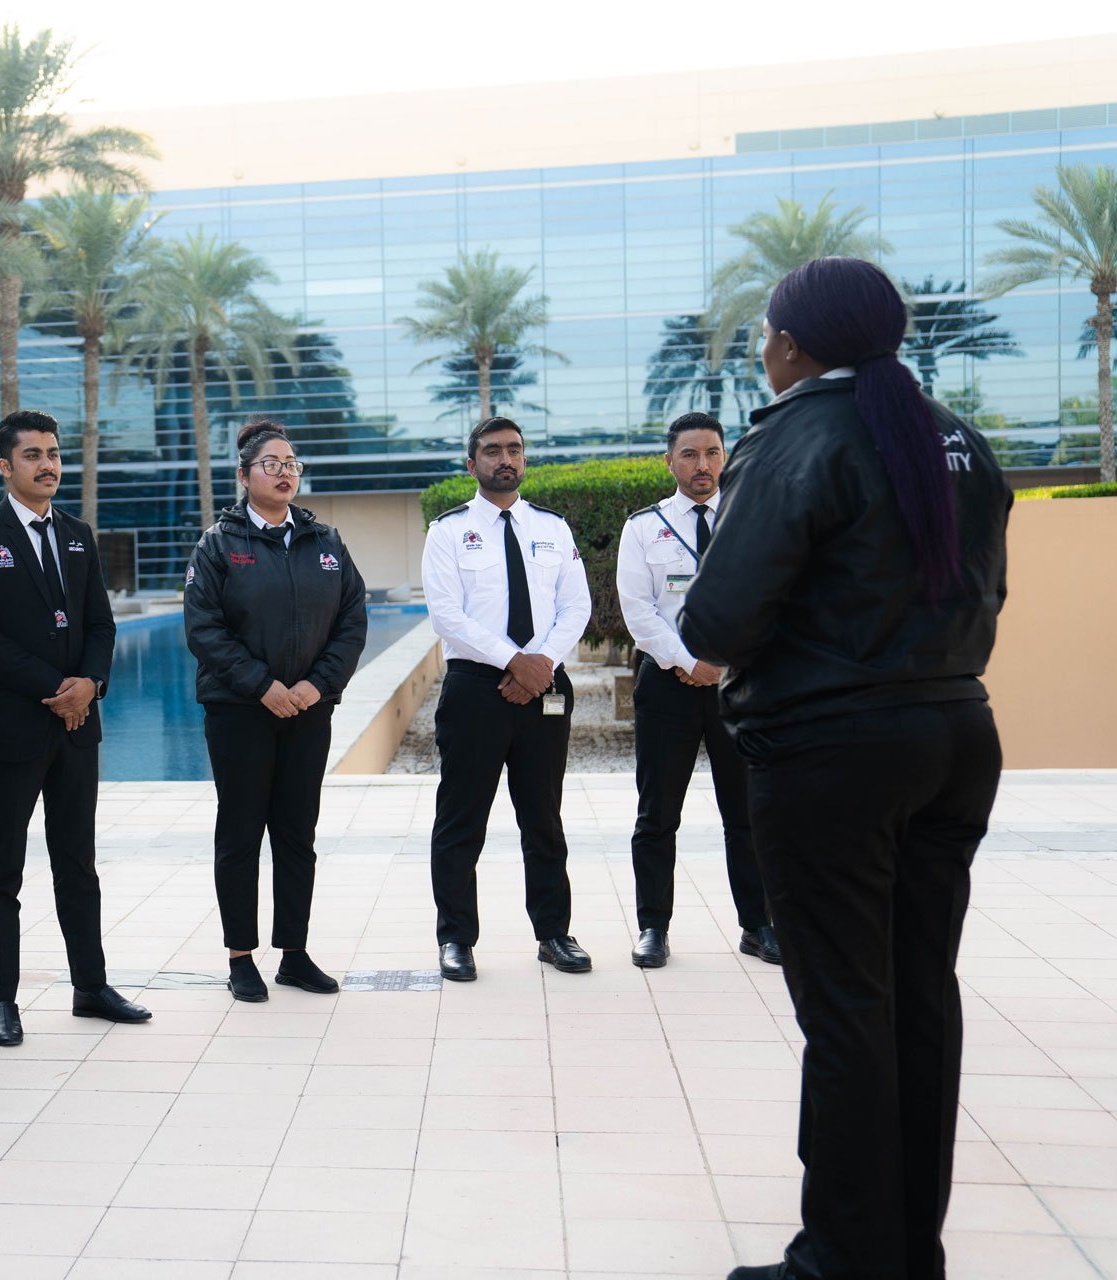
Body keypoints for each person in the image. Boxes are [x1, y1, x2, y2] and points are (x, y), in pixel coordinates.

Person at [682, 257, 1011, 1280]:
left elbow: (719, 620)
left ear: (791, 342)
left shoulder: (797, 436)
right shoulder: (955, 436)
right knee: (919, 1000)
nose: (765, 352)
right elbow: (984, 593)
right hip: (954, 734)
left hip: (835, 754)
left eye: (768, 337)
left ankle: (842, 1257)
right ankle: (907, 1248)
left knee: (848, 1012)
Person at [0, 409, 151, 1046]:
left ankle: (90, 986)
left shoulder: (80, 535)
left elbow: (101, 625)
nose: (48, 464)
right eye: (33, 455)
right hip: (13, 728)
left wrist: (88, 685)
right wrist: (53, 690)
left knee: (77, 864)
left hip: (77, 726)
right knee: (1, 869)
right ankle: (0, 1002)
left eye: (54, 453)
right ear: (7, 466)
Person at [183, 418, 368, 1001]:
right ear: (244, 476)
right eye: (273, 464)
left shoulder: (327, 543)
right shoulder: (219, 545)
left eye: (292, 463)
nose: (285, 472)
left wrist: (317, 685)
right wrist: (261, 685)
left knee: (296, 834)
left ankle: (294, 953)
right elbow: (203, 629)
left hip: (308, 711)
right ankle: (241, 955)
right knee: (240, 832)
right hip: (240, 711)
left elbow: (352, 619)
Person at [422, 416, 593, 980]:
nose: (505, 459)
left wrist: (539, 663)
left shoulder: (553, 529)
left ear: (524, 460)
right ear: (471, 465)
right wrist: (513, 660)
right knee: (461, 818)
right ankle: (456, 939)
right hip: (477, 688)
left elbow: (577, 607)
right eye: (492, 451)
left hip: (544, 683)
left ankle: (553, 933)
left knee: (543, 817)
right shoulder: (448, 531)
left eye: (514, 450)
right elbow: (447, 613)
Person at [614, 411, 777, 969]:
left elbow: (770, 600)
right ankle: (653, 928)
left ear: (723, 457)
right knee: (657, 814)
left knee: (748, 813)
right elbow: (638, 610)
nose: (701, 464)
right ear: (670, 462)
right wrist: (688, 661)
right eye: (689, 454)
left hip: (739, 689)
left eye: (711, 452)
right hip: (668, 686)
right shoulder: (644, 526)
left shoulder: (750, 520)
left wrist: (725, 662)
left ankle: (758, 925)